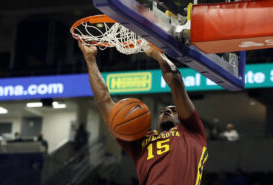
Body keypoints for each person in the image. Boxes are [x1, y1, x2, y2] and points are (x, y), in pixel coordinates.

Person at [78, 42, 208, 185]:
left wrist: (156, 54)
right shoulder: (139, 142)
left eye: (173, 110)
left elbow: (176, 81)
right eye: (163, 111)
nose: (166, 111)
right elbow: (103, 100)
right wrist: (90, 59)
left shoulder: (193, 131)